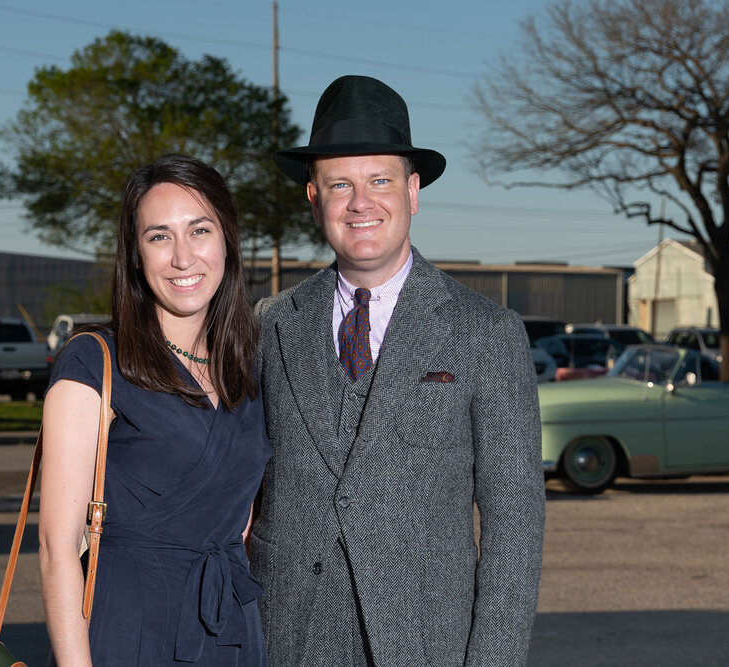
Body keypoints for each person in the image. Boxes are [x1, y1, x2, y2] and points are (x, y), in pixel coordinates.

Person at [250, 75, 545, 667]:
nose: (362, 202)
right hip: (285, 639)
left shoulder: (487, 333)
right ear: (314, 198)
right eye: (341, 185)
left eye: (380, 180)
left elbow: (516, 525)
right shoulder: (269, 324)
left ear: (413, 191)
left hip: (425, 643)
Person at [38, 153, 271, 666]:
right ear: (136, 255)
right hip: (127, 627)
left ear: (228, 241)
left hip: (230, 629)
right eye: (159, 236)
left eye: (200, 230)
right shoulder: (94, 361)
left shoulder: (250, 371)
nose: (183, 257)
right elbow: (57, 551)